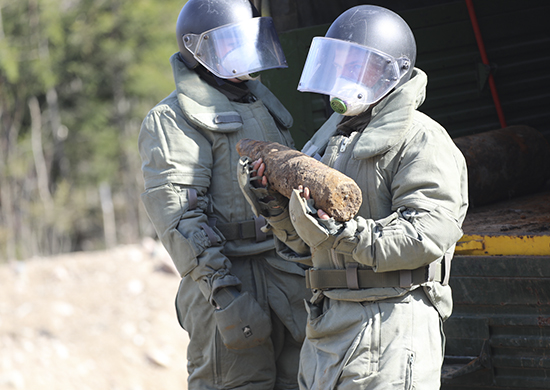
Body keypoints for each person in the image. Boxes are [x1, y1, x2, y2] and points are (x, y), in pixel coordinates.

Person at [241, 5, 469, 390]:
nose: (343, 77)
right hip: (330, 324)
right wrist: (278, 209)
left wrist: (342, 233)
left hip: (391, 324)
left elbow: (426, 235)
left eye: (356, 66)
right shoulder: (337, 143)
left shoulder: (422, 140)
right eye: (339, 64)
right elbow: (309, 245)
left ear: (390, 73)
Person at [138, 1, 311, 389]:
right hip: (228, 280)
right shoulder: (173, 119)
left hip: (283, 272)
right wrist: (224, 294)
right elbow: (181, 221)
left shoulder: (258, 100)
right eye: (231, 43)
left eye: (247, 40)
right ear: (198, 50)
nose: (244, 52)